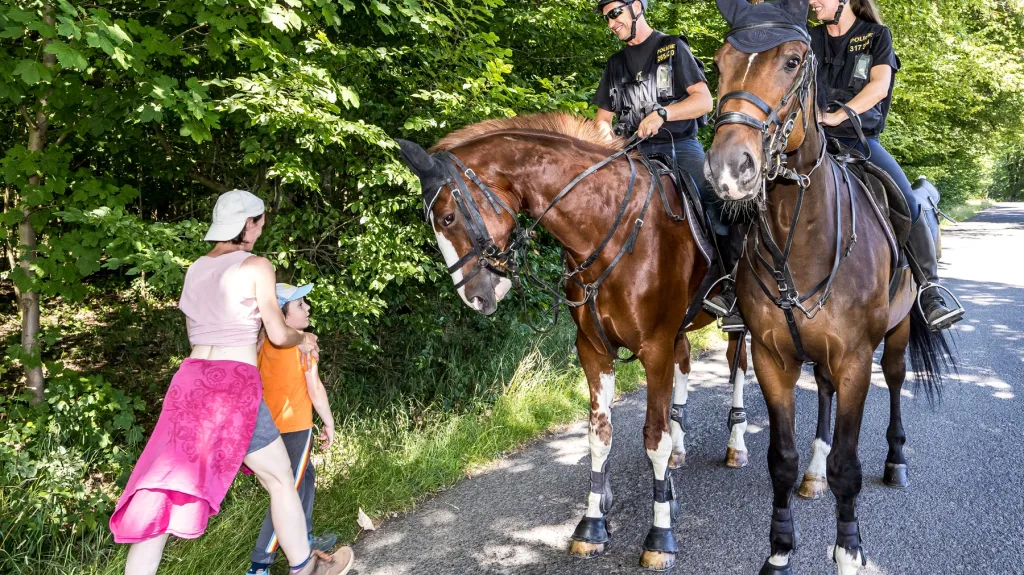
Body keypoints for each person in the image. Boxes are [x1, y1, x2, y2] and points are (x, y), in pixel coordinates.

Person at [109, 189, 353, 575]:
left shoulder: (195, 268)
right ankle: (304, 568)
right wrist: (301, 338)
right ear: (249, 225)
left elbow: (196, 332)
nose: (261, 229)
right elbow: (276, 332)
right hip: (232, 386)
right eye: (260, 222)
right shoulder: (257, 265)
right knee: (280, 479)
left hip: (189, 382)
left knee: (161, 484)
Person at [808, 0, 964, 330]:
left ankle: (929, 289)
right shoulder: (809, 38)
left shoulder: (877, 35)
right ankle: (735, 286)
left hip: (858, 141)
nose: (811, 2)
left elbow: (878, 86)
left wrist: (838, 115)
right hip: (813, 143)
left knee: (906, 200)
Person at [592, 0, 742, 328]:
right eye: (606, 19)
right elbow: (602, 118)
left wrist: (663, 114)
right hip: (631, 153)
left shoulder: (671, 48)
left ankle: (733, 291)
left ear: (637, 7)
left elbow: (703, 99)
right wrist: (608, 143)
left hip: (678, 146)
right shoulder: (615, 64)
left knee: (722, 200)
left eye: (615, 13)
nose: (611, 23)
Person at [247, 283, 339, 575]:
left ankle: (303, 538)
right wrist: (328, 421)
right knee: (287, 492)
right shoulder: (305, 346)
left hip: (267, 429)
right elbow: (315, 389)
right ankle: (260, 564)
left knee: (305, 478)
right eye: (300, 305)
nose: (307, 308)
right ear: (282, 317)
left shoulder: (261, 346)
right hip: (296, 427)